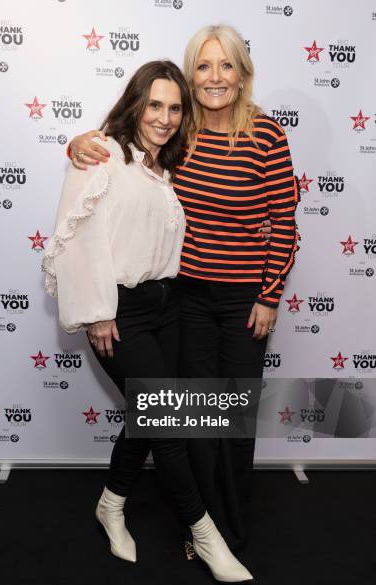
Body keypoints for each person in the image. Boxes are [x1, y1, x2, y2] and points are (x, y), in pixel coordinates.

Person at [68, 24, 299, 554]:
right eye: (203, 66)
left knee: (233, 416)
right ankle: (201, 528)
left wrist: (269, 295)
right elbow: (120, 150)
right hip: (185, 298)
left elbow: (284, 221)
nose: (214, 77)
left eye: (226, 66)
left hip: (245, 301)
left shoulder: (268, 135)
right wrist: (78, 142)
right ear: (190, 75)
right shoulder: (179, 129)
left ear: (242, 75)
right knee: (193, 415)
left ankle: (232, 523)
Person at [42, 60, 254, 583]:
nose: (164, 117)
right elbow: (75, 241)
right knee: (169, 418)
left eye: (175, 108)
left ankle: (110, 504)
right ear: (135, 103)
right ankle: (206, 537)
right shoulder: (103, 156)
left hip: (171, 306)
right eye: (154, 105)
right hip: (119, 312)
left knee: (153, 414)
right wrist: (96, 312)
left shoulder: (168, 166)